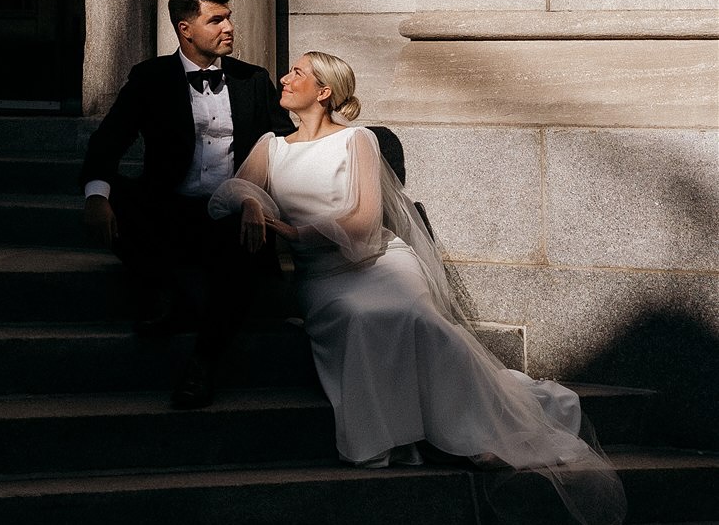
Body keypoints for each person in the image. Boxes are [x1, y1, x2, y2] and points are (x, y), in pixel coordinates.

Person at [209, 51, 627, 525]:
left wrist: (295, 234)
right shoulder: (271, 146)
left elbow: (365, 221)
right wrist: (250, 202)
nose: (284, 78)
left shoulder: (358, 142)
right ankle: (396, 434)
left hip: (380, 262)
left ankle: (475, 434)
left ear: (323, 91)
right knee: (360, 317)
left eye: (297, 72)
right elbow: (229, 190)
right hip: (324, 278)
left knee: (418, 317)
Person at [80, 0, 293, 409]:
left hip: (231, 213)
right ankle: (161, 288)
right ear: (186, 29)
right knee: (114, 194)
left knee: (241, 260)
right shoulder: (150, 78)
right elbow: (108, 142)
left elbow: (286, 143)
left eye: (229, 18)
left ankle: (202, 364)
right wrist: (96, 197)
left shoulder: (254, 80)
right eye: (216, 20)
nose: (229, 27)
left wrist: (258, 199)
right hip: (169, 212)